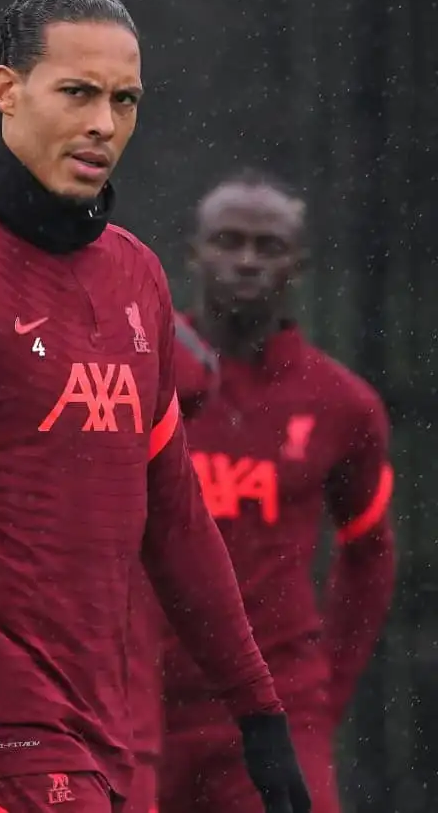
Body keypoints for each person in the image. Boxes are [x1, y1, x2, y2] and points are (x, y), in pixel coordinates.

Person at [0, 0, 314, 813]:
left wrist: (261, 716)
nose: (104, 124)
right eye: (78, 93)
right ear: (5, 91)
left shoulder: (137, 273)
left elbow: (176, 518)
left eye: (124, 100)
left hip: (104, 737)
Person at [152, 171, 397, 813]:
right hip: (140, 706)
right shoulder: (136, 374)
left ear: (300, 263)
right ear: (194, 254)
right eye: (228, 242)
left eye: (268, 246)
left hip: (277, 706)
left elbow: (369, 553)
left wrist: (326, 690)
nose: (246, 262)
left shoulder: (343, 405)